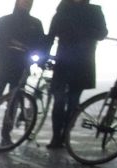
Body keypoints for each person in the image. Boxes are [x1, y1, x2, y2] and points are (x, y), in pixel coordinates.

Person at [0, 0, 45, 147]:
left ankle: (5, 135)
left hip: (22, 69)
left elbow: (41, 46)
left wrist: (32, 58)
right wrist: (2, 57)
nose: (26, 3)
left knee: (13, 103)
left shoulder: (36, 24)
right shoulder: (4, 21)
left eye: (28, 1)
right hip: (3, 67)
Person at [45, 0, 107, 149]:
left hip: (82, 62)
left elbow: (103, 33)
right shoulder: (62, 10)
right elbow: (51, 35)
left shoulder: (94, 11)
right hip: (64, 61)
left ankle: (64, 136)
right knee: (59, 101)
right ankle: (56, 137)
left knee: (73, 102)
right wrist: (44, 55)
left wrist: (82, 31)